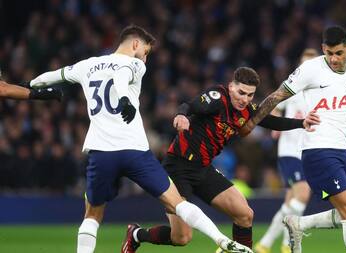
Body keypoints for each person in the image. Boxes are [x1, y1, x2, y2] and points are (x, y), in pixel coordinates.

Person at [29, 24, 253, 253]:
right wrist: (125, 99)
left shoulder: (87, 65)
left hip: (101, 152)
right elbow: (120, 74)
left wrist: (33, 89)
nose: (145, 59)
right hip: (134, 151)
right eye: (146, 52)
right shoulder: (134, 64)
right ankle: (221, 240)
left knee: (92, 215)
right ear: (136, 44)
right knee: (177, 203)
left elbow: (52, 76)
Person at [240, 26, 346, 253]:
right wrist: (252, 122)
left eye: (338, 53)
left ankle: (299, 223)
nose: (333, 58)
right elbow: (277, 95)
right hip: (318, 151)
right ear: (322, 49)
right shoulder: (310, 69)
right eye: (329, 53)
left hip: (344, 152)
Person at [122, 66, 321, 252]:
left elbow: (268, 120)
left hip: (203, 169)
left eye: (250, 95)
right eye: (241, 92)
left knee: (245, 214)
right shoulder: (217, 97)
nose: (244, 99)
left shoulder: (245, 110)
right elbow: (189, 106)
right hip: (178, 167)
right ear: (231, 86)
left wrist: (301, 123)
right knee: (181, 238)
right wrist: (182, 116)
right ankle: (137, 234)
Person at [254, 48, 319, 253]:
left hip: (307, 151)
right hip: (290, 150)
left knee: (291, 201)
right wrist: (275, 125)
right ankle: (287, 244)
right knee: (303, 195)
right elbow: (276, 106)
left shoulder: (320, 92)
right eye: (304, 63)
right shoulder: (293, 88)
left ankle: (265, 244)